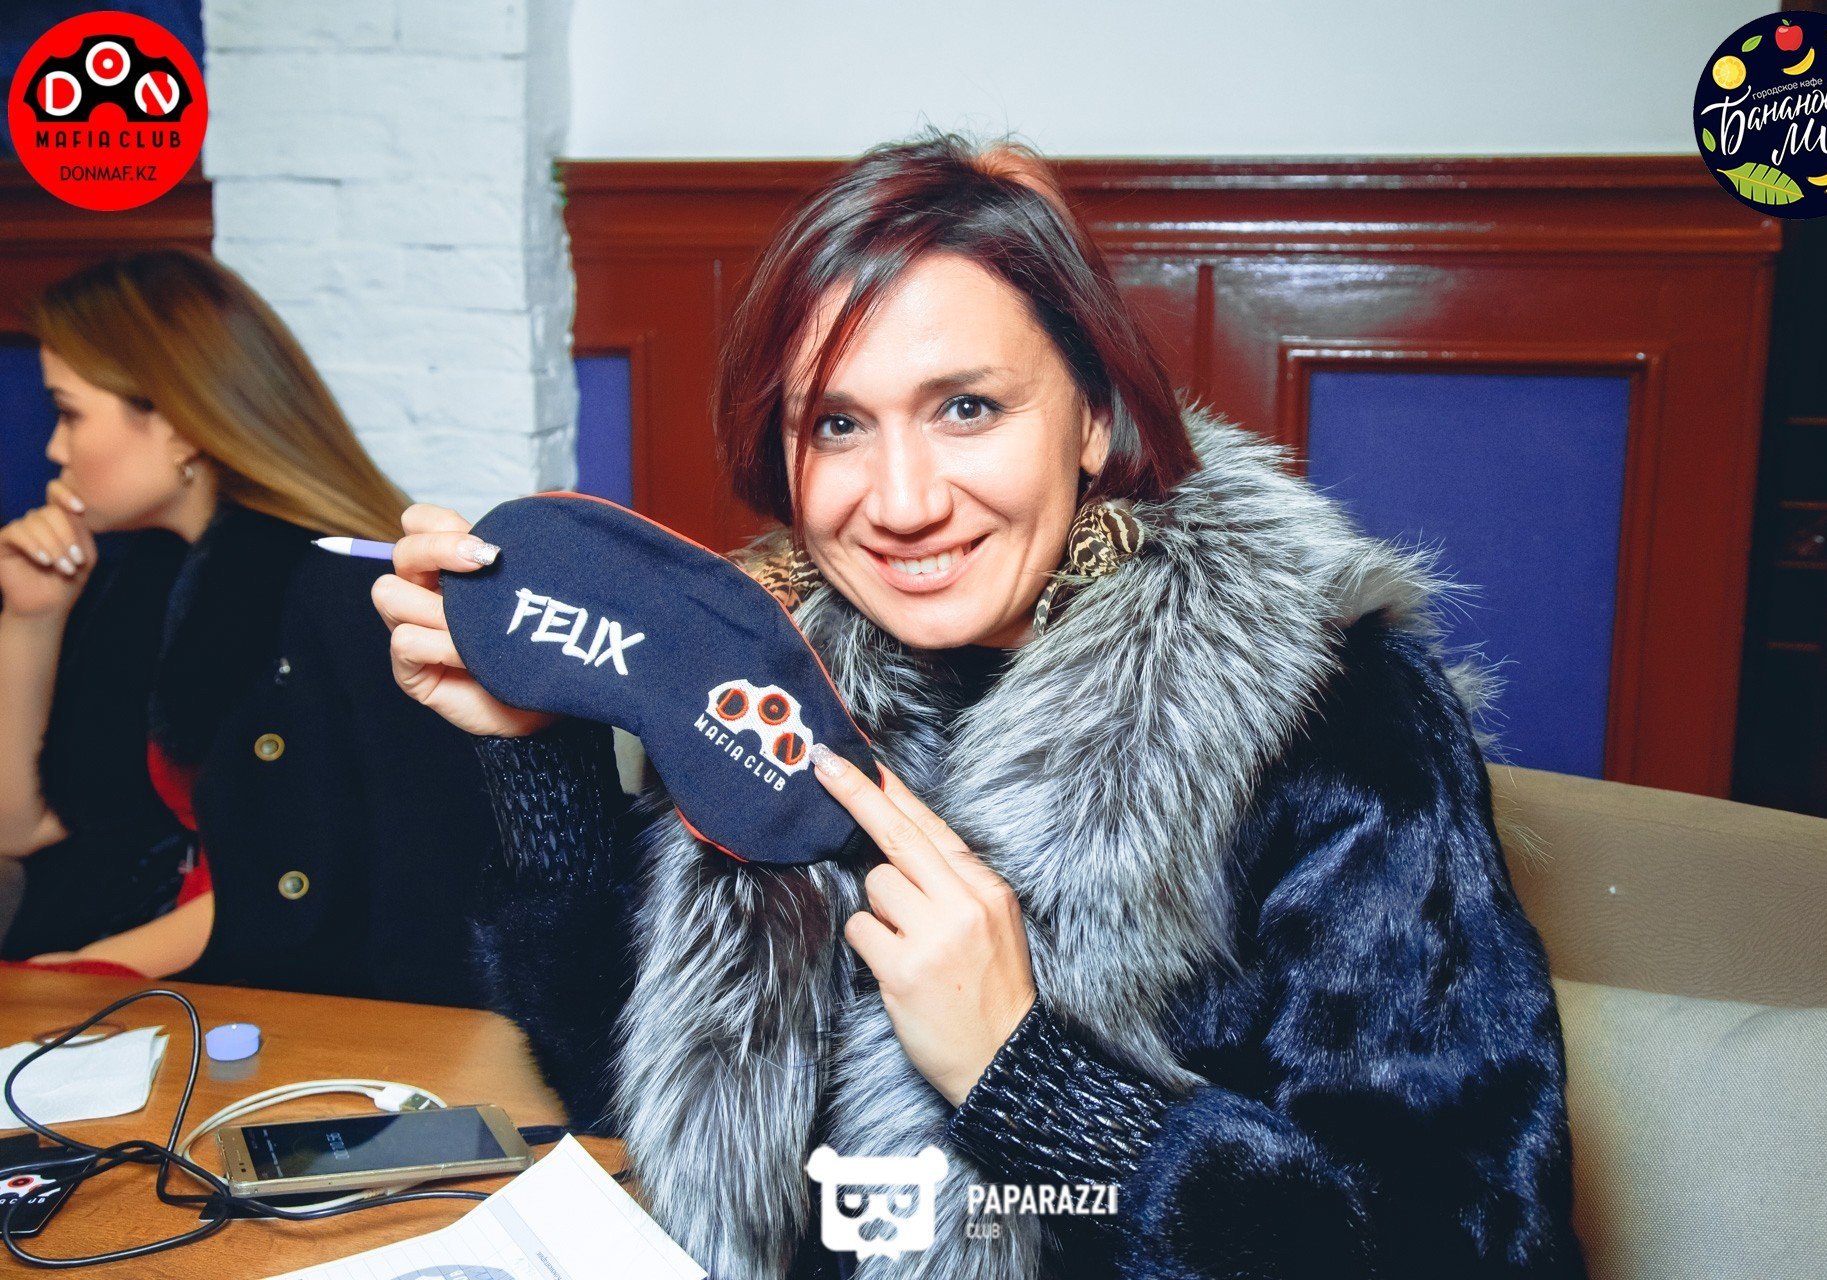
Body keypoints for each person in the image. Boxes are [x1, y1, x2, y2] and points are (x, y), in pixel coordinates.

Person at [378, 131, 1589, 1277]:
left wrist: (1028, 1075)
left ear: (1096, 417)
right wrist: (537, 758)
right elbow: (640, 1100)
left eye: (967, 407)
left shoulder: (1335, 714)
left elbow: (1472, 1243)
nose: (903, 501)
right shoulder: (766, 678)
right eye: (838, 424)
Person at [0, 248, 497, 1008]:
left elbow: (299, 879)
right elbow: (20, 828)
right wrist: (31, 618)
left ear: (177, 425)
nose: (53, 449)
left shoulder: (337, 595)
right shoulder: (139, 578)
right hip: (143, 963)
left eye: (69, 414)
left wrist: (81, 974)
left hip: (274, 995)